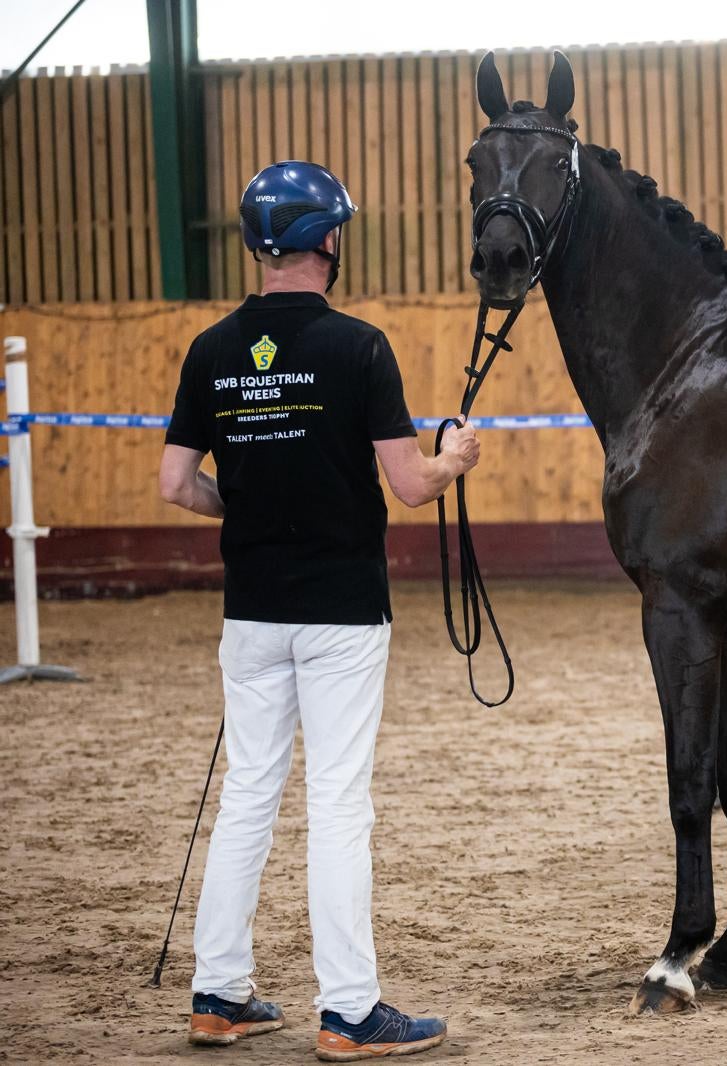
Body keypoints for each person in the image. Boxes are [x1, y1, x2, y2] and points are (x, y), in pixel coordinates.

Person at [159, 160, 474, 1059]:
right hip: (340, 610)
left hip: (251, 612)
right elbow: (410, 484)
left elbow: (176, 484)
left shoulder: (211, 350)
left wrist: (245, 508)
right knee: (338, 802)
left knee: (248, 795)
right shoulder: (358, 347)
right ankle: (349, 1010)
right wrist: (455, 460)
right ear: (326, 240)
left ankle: (218, 995)